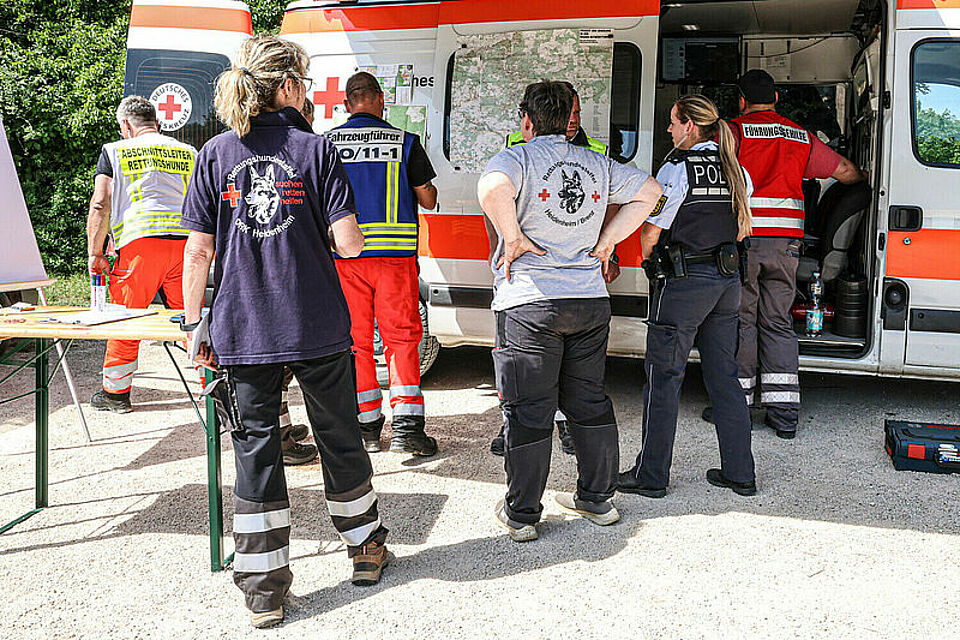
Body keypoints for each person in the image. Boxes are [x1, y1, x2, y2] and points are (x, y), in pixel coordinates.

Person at [179, 36, 390, 628]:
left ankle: (264, 591)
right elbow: (349, 243)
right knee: (339, 437)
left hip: (242, 327)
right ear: (291, 86)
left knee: (256, 449)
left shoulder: (215, 153)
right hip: (315, 322)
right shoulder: (316, 150)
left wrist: (195, 325)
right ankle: (365, 549)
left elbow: (197, 252)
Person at [478, 81, 662, 541]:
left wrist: (513, 237)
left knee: (529, 409)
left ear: (527, 120)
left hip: (530, 304)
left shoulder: (518, 158)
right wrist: (607, 242)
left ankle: (522, 514)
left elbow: (492, 187)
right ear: (569, 121)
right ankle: (597, 500)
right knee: (589, 400)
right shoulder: (597, 163)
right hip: (588, 301)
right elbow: (651, 191)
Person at [704, 70, 863, 439]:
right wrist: (865, 177)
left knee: (742, 320)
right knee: (777, 321)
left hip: (745, 240)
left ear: (741, 101)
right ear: (776, 99)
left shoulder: (733, 132)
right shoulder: (799, 135)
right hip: (787, 246)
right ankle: (784, 415)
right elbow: (846, 171)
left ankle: (738, 406)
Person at [618, 95, 758, 498]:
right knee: (724, 377)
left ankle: (651, 476)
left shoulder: (677, 169)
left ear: (690, 126)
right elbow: (742, 228)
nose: (669, 129)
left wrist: (648, 262)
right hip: (727, 283)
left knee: (664, 378)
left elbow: (652, 229)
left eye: (673, 122)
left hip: (684, 284)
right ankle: (740, 473)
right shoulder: (736, 169)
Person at [490, 81, 617, 458]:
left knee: (571, 375)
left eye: (577, 112)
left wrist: (609, 250)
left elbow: (611, 205)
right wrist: (501, 250)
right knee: (523, 373)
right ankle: (510, 425)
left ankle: (565, 427)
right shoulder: (516, 148)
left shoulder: (596, 153)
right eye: (569, 112)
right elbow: (494, 201)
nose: (573, 119)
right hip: (528, 280)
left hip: (575, 279)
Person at [325, 72, 439, 456]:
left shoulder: (327, 144)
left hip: (345, 258)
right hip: (394, 260)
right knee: (401, 339)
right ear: (380, 99)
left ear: (347, 104)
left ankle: (367, 429)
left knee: (355, 342)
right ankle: (407, 429)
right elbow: (428, 200)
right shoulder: (405, 142)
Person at [86, 95, 198, 412]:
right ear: (157, 123)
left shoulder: (114, 151)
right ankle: (215, 387)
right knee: (191, 319)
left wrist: (95, 252)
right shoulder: (189, 152)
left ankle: (116, 394)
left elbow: (100, 203)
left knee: (126, 318)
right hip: (186, 245)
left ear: (125, 125)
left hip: (140, 246)